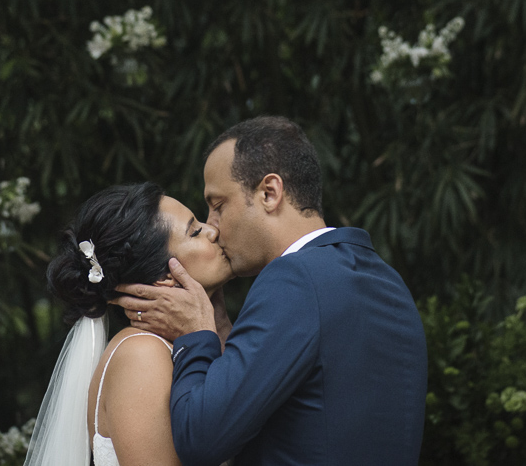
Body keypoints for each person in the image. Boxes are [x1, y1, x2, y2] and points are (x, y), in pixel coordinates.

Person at [115, 116, 429, 465]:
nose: (213, 229)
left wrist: (197, 333)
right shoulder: (386, 281)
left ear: (269, 193)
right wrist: (219, 325)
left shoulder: (294, 280)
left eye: (218, 206)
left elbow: (201, 439)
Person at [22, 182, 235, 466]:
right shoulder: (141, 353)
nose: (213, 230)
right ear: (165, 278)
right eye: (195, 231)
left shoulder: (182, 342)